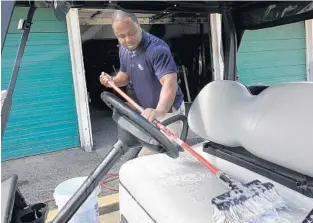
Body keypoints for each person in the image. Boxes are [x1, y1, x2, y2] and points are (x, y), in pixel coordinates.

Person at [100, 10, 185, 156]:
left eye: (131, 33)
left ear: (138, 25)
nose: (128, 39)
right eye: (121, 36)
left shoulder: (157, 50)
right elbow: (125, 75)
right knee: (140, 157)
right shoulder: (124, 49)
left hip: (168, 113)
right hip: (147, 112)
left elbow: (169, 84)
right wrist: (112, 81)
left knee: (151, 160)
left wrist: (160, 111)